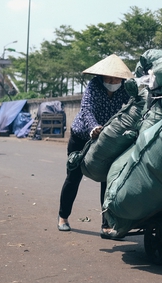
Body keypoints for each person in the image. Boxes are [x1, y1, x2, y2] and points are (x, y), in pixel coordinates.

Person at [57, 54, 133, 239]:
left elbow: (133, 107)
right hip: (83, 136)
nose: (113, 81)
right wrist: (93, 128)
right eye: (109, 77)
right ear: (102, 76)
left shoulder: (124, 90)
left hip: (107, 139)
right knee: (73, 177)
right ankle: (63, 217)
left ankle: (106, 225)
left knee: (108, 180)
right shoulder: (93, 86)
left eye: (116, 78)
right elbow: (86, 109)